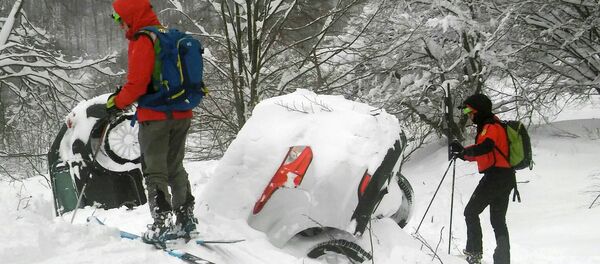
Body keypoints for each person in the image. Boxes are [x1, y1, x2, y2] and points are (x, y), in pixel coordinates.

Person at [106, 0, 198, 244]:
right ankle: (185, 219)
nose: (119, 24)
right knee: (175, 167)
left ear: (130, 15)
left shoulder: (143, 40)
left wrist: (116, 102)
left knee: (154, 171)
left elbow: (137, 84)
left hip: (155, 118)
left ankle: (162, 224)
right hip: (182, 114)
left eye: (119, 18)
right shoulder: (169, 36)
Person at [449, 94, 515, 264]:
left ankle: (474, 254)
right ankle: (502, 260)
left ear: (478, 111)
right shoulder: (493, 124)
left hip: (496, 177)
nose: (468, 115)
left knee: (470, 212)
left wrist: (464, 152)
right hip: (505, 177)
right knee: (498, 221)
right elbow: (485, 152)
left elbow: (486, 147)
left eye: (469, 111)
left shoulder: (491, 126)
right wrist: (463, 153)